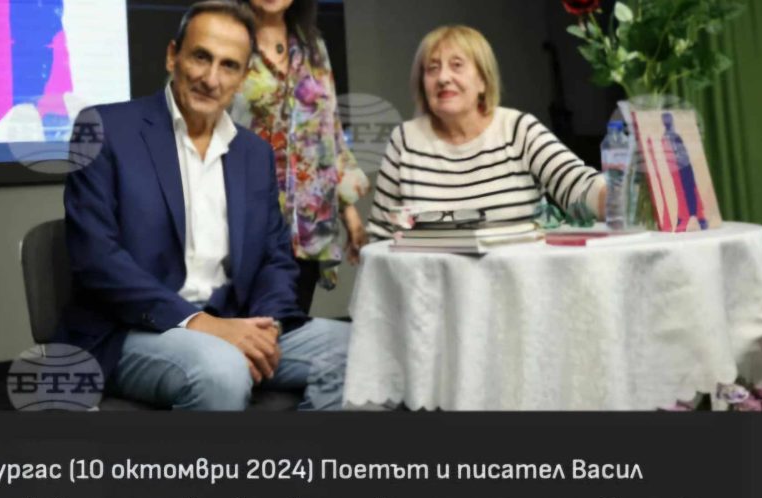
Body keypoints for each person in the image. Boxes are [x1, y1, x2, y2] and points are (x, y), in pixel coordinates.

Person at [58, 0, 349, 411]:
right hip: (132, 330)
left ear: (243, 77)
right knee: (222, 369)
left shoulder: (254, 154)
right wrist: (199, 323)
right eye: (200, 57)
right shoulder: (104, 129)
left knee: (360, 350)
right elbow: (96, 260)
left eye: (229, 66)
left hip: (234, 321)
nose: (211, 79)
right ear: (172, 56)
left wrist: (267, 327)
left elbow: (275, 258)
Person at [367, 25, 606, 238]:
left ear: (483, 79)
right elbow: (381, 234)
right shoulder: (405, 140)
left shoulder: (518, 129)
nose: (443, 78)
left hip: (514, 271)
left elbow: (579, 187)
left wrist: (617, 196)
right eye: (432, 68)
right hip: (428, 275)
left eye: (457, 65)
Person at [232, 0, 369, 314]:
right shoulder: (227, 38)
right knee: (249, 332)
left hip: (307, 224)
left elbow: (329, 132)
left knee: (291, 328)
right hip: (245, 219)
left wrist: (348, 211)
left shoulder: (312, 46)